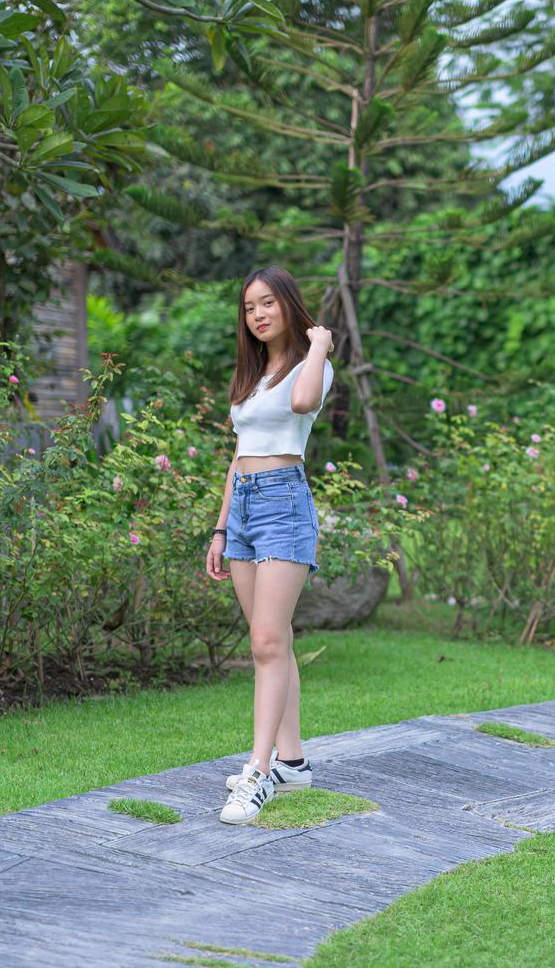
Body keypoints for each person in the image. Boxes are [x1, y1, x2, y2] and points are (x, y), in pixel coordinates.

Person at [205, 265, 334, 825]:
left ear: (287, 304)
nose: (257, 314)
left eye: (266, 304)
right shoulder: (253, 376)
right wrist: (220, 525)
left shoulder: (314, 367)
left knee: (264, 643)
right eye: (249, 307)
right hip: (246, 511)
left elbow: (304, 405)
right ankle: (293, 762)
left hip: (285, 505)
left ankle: (258, 773)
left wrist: (321, 343)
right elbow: (239, 455)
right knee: (273, 639)